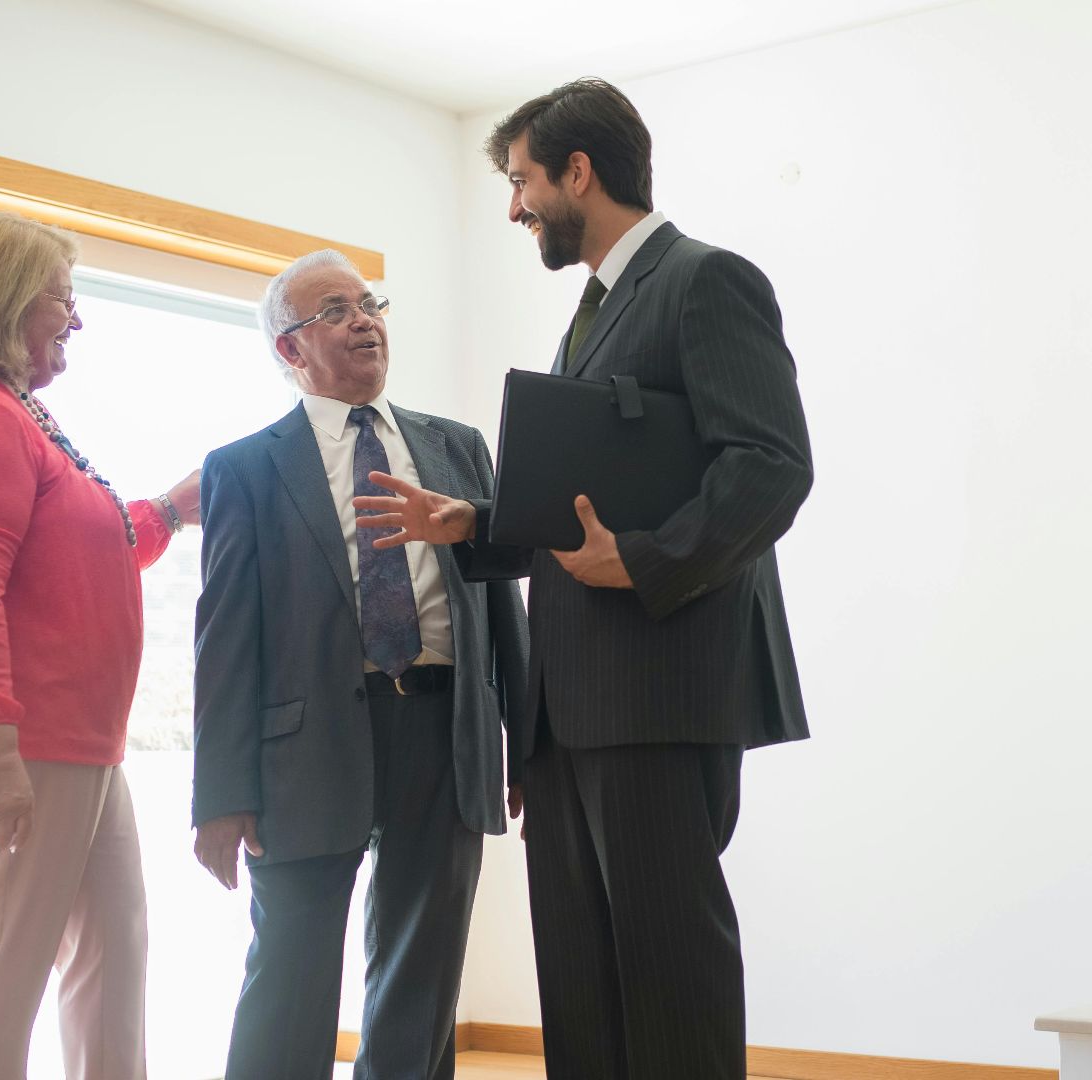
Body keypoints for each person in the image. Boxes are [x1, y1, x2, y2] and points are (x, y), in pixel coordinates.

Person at [354, 78, 813, 1079]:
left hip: (655, 694)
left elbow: (772, 468)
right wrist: (474, 523)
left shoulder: (706, 281)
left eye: (522, 181)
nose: (514, 207)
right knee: (579, 980)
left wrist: (640, 562)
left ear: (578, 171)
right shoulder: (593, 313)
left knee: (669, 972)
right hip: (567, 709)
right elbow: (585, 502)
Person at [190, 249, 528, 1080]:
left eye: (369, 303)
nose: (363, 321)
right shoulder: (246, 467)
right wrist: (221, 794)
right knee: (290, 973)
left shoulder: (457, 447)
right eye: (334, 311)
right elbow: (225, 639)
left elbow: (501, 604)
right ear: (289, 348)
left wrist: (527, 742)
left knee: (423, 972)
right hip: (304, 749)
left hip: (445, 731)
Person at [0, 209, 201, 1080]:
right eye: (62, 298)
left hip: (80, 742)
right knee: (5, 962)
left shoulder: (15, 413)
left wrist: (170, 510)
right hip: (24, 740)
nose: (77, 318)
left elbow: (85, 553)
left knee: (113, 955)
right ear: (2, 300)